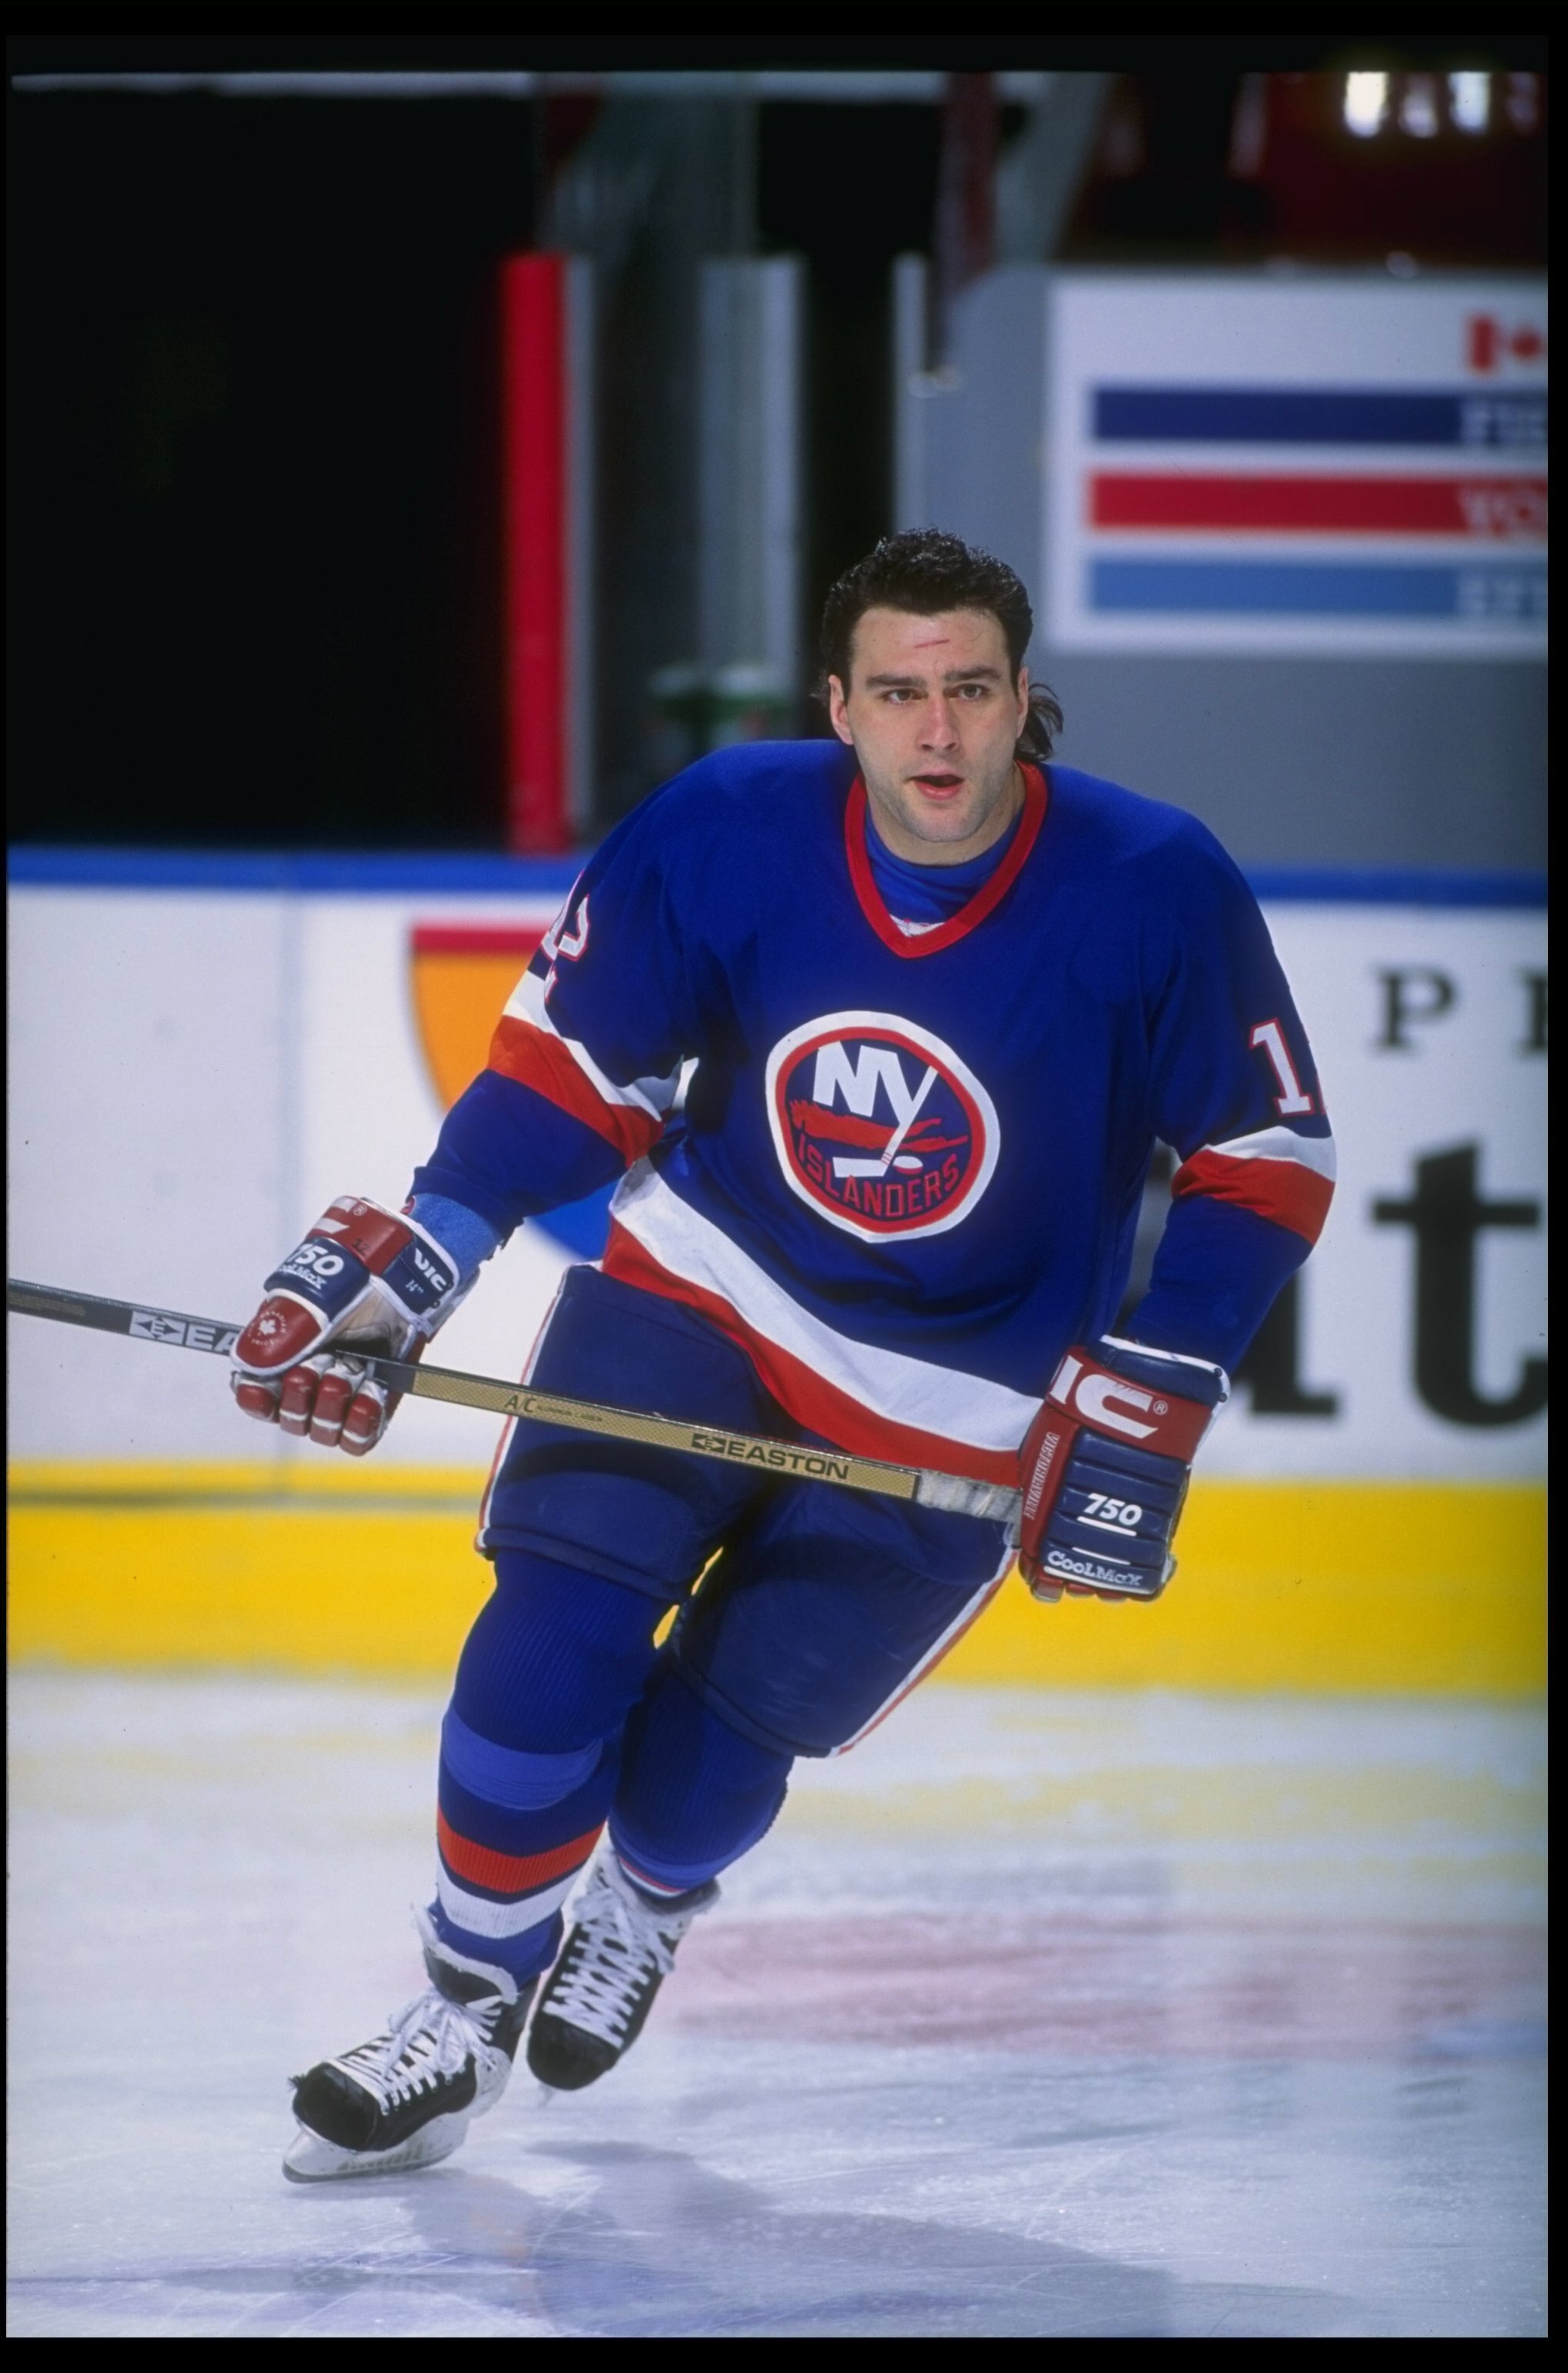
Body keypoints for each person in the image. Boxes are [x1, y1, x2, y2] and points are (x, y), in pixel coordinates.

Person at [232, 531, 1335, 2182]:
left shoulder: (1153, 882)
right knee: (547, 1635)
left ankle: (646, 1902)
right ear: (840, 704)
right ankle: (460, 2016)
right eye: (899, 694)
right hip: (703, 1290)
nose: (938, 734)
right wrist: (447, 1233)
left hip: (958, 1399)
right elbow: (572, 1062)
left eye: (970, 690)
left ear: (1026, 698)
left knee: (712, 1758)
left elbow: (1268, 1155)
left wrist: (1164, 1362)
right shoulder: (729, 825)